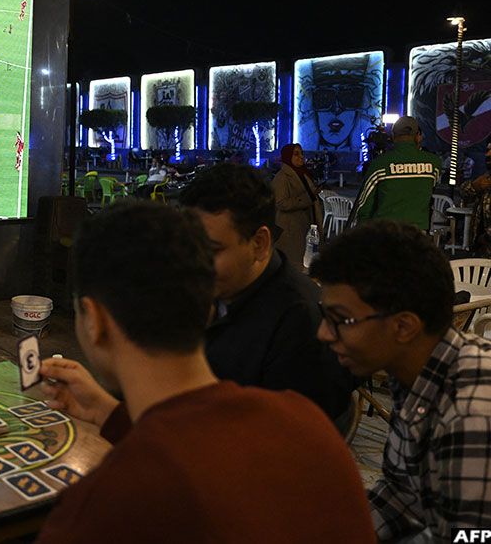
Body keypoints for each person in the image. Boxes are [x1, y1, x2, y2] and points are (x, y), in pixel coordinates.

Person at [35, 202, 374, 543]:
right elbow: (200, 451)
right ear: (210, 305)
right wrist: (107, 411)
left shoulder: (100, 509)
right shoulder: (307, 423)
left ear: (94, 320)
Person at [310, 220, 491, 542]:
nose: (323, 333)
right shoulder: (415, 369)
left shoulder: (470, 416)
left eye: (341, 320)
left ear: (404, 326)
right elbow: (402, 497)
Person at [179, 163, 354, 427]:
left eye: (211, 250)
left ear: (259, 244)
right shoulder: (221, 289)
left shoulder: (298, 323)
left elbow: (282, 440)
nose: (195, 263)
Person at [354, 116, 441, 231]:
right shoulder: (433, 164)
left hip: (386, 233)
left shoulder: (380, 164)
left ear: (393, 135)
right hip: (418, 235)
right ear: (418, 136)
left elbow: (364, 206)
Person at [272, 143, 323, 265]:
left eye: (302, 153)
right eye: (296, 154)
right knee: (294, 264)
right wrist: (308, 197)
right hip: (292, 230)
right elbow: (281, 203)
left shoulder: (303, 174)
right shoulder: (282, 178)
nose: (301, 157)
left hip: (306, 227)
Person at [461, 140, 491, 257]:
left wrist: (485, 237)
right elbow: (465, 192)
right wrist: (474, 187)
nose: (487, 155)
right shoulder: (486, 178)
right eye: (488, 150)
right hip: (482, 254)